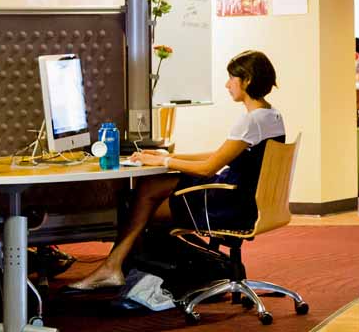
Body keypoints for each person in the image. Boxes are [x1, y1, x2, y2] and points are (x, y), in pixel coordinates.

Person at [70, 50, 285, 290]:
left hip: (227, 205)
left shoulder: (251, 121)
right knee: (151, 186)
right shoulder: (271, 116)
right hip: (241, 198)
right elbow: (219, 155)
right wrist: (167, 156)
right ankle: (115, 266)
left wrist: (163, 163)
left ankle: (121, 269)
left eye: (232, 78)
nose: (227, 84)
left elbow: (208, 168)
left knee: (138, 207)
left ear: (247, 80)